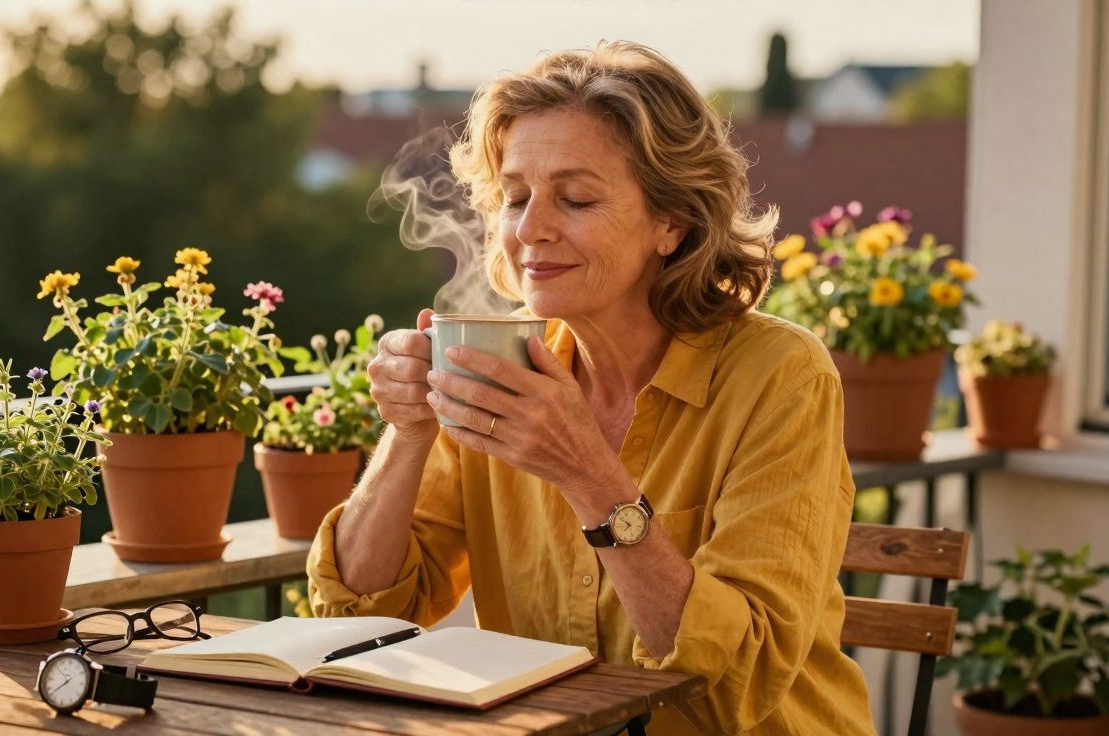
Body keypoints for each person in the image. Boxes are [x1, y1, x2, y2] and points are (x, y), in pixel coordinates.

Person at [307, 41, 876, 735]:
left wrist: (587, 472)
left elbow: (737, 684)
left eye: (574, 198)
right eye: (515, 197)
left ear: (673, 222)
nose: (529, 229)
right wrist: (409, 431)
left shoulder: (779, 376)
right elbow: (360, 618)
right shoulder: (502, 366)